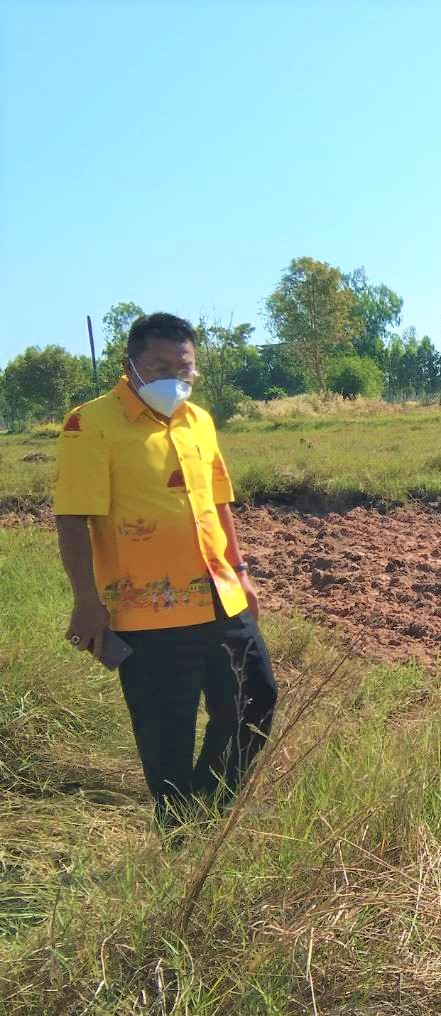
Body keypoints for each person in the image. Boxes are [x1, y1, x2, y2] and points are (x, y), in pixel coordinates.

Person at [54, 313, 277, 826]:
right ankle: (180, 839)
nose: (173, 379)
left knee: (254, 700)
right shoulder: (90, 424)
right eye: (158, 367)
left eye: (185, 368)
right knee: (166, 736)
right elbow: (71, 519)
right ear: (130, 364)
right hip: (146, 611)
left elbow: (219, 502)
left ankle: (210, 809)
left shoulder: (198, 420)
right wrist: (87, 604)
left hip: (219, 593)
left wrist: (241, 570)